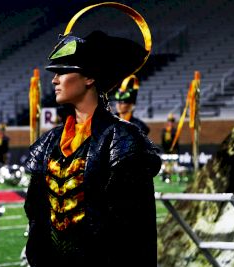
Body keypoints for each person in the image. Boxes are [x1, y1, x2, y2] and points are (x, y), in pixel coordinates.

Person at [23, 4, 162, 267]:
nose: (54, 80)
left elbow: (136, 231)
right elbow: (36, 214)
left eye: (63, 72)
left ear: (89, 77)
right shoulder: (49, 143)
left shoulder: (122, 141)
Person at [160, 113, 180, 182]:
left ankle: (172, 177)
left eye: (171, 121)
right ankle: (164, 177)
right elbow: (162, 141)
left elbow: (176, 141)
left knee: (172, 164)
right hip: (166, 150)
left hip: (173, 150)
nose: (170, 123)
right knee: (165, 164)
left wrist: (175, 149)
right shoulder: (164, 131)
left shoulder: (175, 131)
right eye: (169, 121)